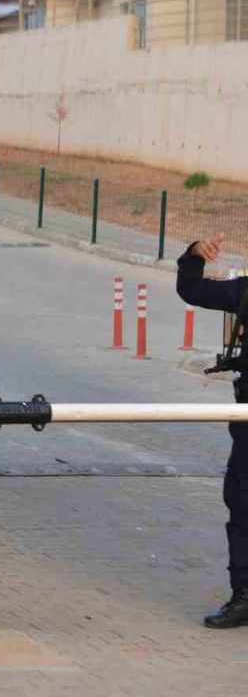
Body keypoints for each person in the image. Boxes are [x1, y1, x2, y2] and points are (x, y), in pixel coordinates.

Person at [177, 231, 248, 629]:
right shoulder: (245, 291)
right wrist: (194, 255)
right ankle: (244, 596)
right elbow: (192, 289)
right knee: (242, 503)